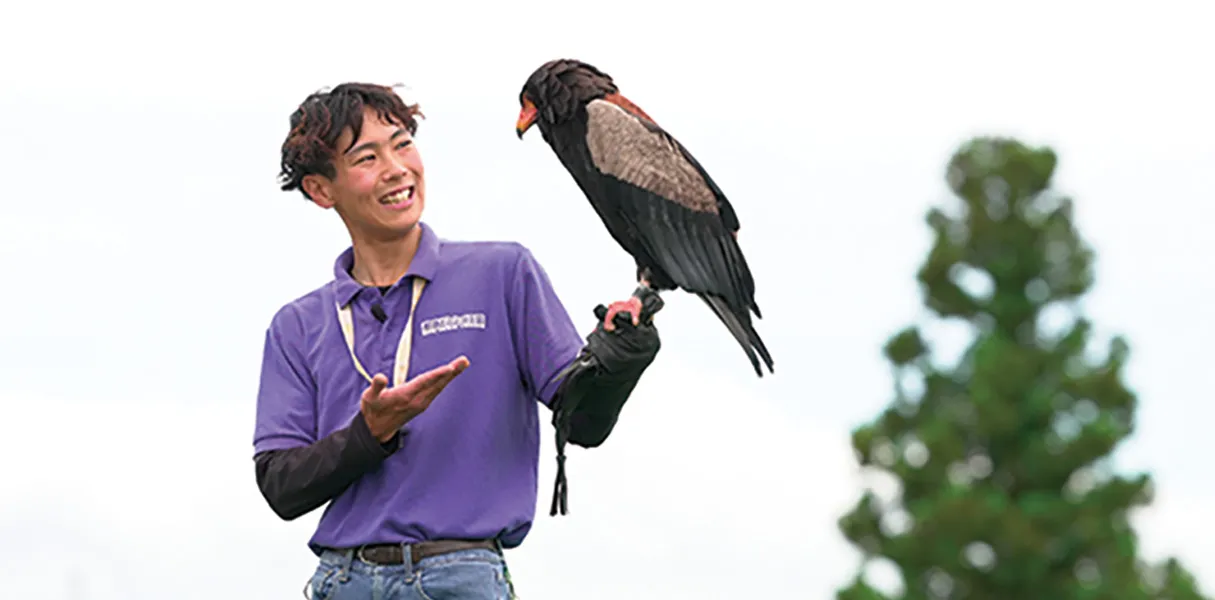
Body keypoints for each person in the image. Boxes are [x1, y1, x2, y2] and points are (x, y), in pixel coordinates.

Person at [251, 82, 662, 600]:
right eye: (366, 157)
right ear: (320, 190)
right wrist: (369, 434)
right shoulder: (298, 325)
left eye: (402, 144)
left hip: (460, 577)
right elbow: (281, 488)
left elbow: (582, 421)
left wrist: (621, 360)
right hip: (342, 580)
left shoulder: (503, 272)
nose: (397, 168)